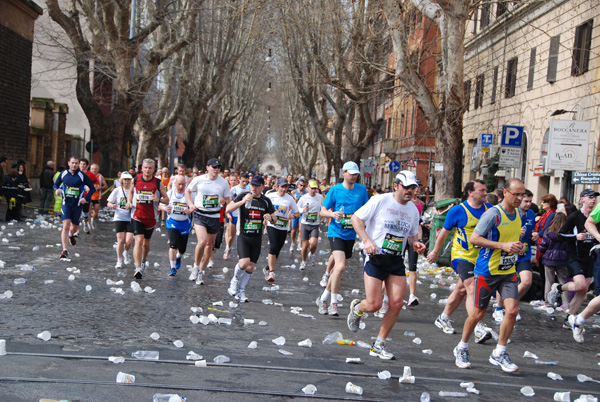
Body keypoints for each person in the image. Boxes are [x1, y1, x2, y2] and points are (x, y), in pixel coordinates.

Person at [346, 171, 425, 360]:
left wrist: (415, 243)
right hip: (376, 258)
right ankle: (357, 308)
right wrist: (366, 240)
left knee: (397, 303)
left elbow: (413, 234)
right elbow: (356, 219)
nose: (410, 191)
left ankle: (379, 344)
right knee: (374, 304)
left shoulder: (413, 210)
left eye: (413, 188)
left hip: (396, 260)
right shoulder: (380, 200)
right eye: (406, 187)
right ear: (396, 185)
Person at [453, 178, 526, 373]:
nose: (520, 198)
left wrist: (519, 246)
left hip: (508, 271)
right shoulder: (493, 214)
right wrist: (503, 246)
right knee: (478, 314)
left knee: (511, 311)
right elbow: (474, 238)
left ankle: (499, 352)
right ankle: (462, 347)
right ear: (506, 193)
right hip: (487, 272)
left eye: (523, 194)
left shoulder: (518, 214)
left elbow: (513, 239)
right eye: (516, 194)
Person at [427, 180, 492, 341]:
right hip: (461, 256)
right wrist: (435, 251)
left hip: (482, 257)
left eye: (485, 190)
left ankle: (443, 317)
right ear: (470, 192)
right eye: (481, 190)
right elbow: (443, 232)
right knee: (471, 286)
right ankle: (477, 326)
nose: (485, 193)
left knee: (461, 290)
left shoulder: (490, 210)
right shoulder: (458, 210)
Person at [316, 161, 369, 317]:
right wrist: (333, 214)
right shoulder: (335, 190)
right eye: (351, 173)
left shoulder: (362, 190)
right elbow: (323, 211)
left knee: (337, 270)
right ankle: (333, 303)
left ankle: (323, 298)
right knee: (340, 267)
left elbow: (367, 210)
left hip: (350, 234)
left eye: (356, 174)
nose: (353, 176)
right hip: (335, 232)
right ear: (343, 173)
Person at [548, 189, 599, 329]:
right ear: (582, 199)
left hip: (590, 256)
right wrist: (575, 237)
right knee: (580, 285)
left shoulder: (597, 217)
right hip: (574, 255)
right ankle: (559, 288)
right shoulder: (575, 216)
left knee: (584, 289)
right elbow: (560, 235)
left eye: (595, 197)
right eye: (590, 197)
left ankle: (569, 317)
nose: (593, 199)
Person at [226, 175, 276, 302]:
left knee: (251, 267)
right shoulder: (243, 195)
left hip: (257, 237)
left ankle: (241, 291)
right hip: (243, 235)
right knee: (243, 263)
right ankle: (234, 280)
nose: (254, 188)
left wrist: (270, 218)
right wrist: (242, 202)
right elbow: (228, 209)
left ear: (262, 187)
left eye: (257, 186)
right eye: (252, 185)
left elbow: (274, 218)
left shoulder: (266, 201)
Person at [493, 189, 537, 322]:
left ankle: (511, 305)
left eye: (530, 201)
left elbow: (532, 230)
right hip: (509, 252)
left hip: (523, 252)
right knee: (504, 281)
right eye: (525, 201)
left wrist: (534, 234)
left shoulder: (531, 214)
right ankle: (499, 308)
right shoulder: (511, 212)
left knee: (527, 281)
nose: (528, 204)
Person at [185, 158, 231, 285]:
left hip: (214, 216)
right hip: (200, 214)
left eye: (218, 168)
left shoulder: (223, 183)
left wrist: (227, 209)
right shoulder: (199, 180)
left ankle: (201, 271)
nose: (216, 170)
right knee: (203, 241)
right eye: (214, 167)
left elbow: (228, 200)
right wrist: (190, 204)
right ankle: (195, 266)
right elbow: (187, 191)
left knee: (210, 246)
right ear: (207, 168)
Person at [126, 158, 169, 279]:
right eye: (145, 167)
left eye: (150, 168)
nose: (147, 170)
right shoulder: (136, 179)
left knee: (146, 243)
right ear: (142, 168)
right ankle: (138, 267)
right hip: (137, 215)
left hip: (151, 217)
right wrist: (129, 202)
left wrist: (159, 199)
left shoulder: (157, 182)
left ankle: (143, 260)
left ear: (153, 169)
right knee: (138, 241)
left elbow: (167, 199)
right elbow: (130, 192)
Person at [53, 156, 96, 260]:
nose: (74, 165)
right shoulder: (63, 174)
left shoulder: (82, 175)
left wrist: (85, 198)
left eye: (76, 163)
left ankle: (71, 235)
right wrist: (56, 190)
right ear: (68, 163)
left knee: (74, 227)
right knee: (66, 225)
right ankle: (64, 250)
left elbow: (92, 189)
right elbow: (55, 185)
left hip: (77, 205)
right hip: (66, 204)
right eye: (72, 163)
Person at [264, 177, 300, 282]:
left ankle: (267, 268)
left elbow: (297, 213)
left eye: (286, 187)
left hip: (283, 227)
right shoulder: (270, 196)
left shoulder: (289, 199)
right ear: (277, 187)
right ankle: (271, 272)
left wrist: (291, 216)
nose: (284, 189)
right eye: (282, 187)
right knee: (273, 246)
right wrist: (265, 216)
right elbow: (263, 208)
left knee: (277, 251)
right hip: (272, 225)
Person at [159, 175, 193, 276]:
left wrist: (190, 210)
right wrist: (164, 209)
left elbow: (194, 206)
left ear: (185, 184)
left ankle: (179, 256)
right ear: (175, 184)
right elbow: (160, 203)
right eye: (179, 184)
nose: (181, 186)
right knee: (173, 245)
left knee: (182, 249)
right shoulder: (170, 193)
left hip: (185, 224)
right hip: (172, 222)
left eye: (183, 184)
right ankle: (172, 267)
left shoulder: (188, 195)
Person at [537, 213, 569, 306]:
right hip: (563, 259)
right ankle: (566, 304)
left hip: (549, 259)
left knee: (549, 282)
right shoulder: (567, 232)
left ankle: (548, 303)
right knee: (563, 281)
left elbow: (542, 247)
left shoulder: (548, 231)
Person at [106, 172, 134, 268]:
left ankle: (126, 252)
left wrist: (131, 205)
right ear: (122, 181)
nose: (127, 182)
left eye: (128, 180)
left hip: (130, 218)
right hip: (119, 218)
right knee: (121, 240)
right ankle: (119, 260)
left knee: (129, 241)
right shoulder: (117, 191)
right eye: (125, 180)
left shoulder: (134, 191)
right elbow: (109, 202)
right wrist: (112, 205)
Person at [406, 184, 426, 307]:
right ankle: (384, 297)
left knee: (413, 268)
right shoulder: (404, 203)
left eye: (419, 187)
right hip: (401, 238)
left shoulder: (421, 204)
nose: (417, 190)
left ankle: (412, 295)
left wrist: (420, 239)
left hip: (413, 237)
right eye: (415, 188)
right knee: (391, 268)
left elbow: (418, 223)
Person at [297, 180, 324, 270]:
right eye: (312, 188)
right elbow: (297, 208)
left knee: (313, 244)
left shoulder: (320, 197)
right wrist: (302, 210)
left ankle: (312, 254)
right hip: (305, 224)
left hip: (315, 224)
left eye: (315, 189)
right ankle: (303, 261)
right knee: (305, 246)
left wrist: (323, 214)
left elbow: (323, 206)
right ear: (308, 188)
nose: (313, 190)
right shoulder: (304, 198)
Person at [224, 174, 249, 260]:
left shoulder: (249, 189)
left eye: (246, 181)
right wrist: (228, 214)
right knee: (232, 235)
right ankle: (228, 248)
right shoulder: (234, 189)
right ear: (239, 180)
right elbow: (229, 202)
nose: (245, 183)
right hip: (234, 214)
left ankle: (241, 252)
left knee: (242, 234)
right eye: (243, 181)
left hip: (243, 215)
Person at [534, 194, 557, 262]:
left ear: (550, 203)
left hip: (545, 243)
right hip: (540, 241)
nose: (542, 204)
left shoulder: (552, 214)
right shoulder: (545, 214)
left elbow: (546, 229)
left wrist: (537, 234)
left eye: (544, 202)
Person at [78, 158, 97, 234]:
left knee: (85, 213)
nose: (82, 166)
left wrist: (90, 187)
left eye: (84, 164)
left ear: (87, 165)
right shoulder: (76, 173)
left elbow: (95, 184)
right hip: (77, 196)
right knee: (77, 213)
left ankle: (85, 222)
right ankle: (76, 230)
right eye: (81, 164)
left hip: (86, 196)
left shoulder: (90, 174)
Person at [289, 178, 307, 252]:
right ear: (298, 185)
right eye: (301, 185)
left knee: (300, 229)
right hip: (295, 212)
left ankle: (299, 243)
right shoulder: (293, 192)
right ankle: (293, 242)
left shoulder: (306, 193)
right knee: (293, 230)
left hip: (302, 213)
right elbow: (290, 202)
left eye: (304, 186)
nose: (302, 187)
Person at [89, 163, 107, 229]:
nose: (94, 171)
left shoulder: (100, 176)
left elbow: (105, 186)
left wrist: (100, 187)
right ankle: (88, 223)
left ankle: (93, 220)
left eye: (95, 169)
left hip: (97, 196)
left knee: (96, 213)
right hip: (90, 196)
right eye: (92, 169)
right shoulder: (88, 176)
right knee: (89, 211)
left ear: (98, 170)